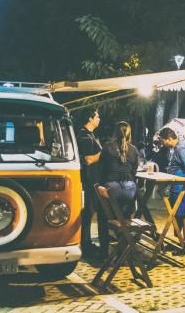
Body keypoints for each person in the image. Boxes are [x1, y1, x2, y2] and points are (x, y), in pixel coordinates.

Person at [160, 127, 185, 251]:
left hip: (183, 187)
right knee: (176, 215)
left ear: (169, 139)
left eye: (163, 141)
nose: (163, 143)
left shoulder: (181, 149)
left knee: (184, 215)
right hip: (176, 186)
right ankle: (180, 243)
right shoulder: (176, 148)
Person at [77, 108, 106, 258]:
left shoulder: (90, 135)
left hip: (93, 179)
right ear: (90, 119)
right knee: (88, 212)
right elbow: (88, 159)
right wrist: (105, 151)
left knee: (90, 211)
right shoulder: (84, 136)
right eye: (97, 116)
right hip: (89, 180)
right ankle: (85, 245)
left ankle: (86, 243)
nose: (99, 119)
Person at [98, 121, 139, 219]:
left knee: (102, 210)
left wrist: (100, 184)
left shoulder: (107, 146)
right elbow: (134, 171)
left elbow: (101, 168)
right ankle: (124, 231)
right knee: (125, 211)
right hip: (130, 190)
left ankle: (104, 234)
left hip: (111, 189)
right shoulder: (134, 149)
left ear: (115, 132)